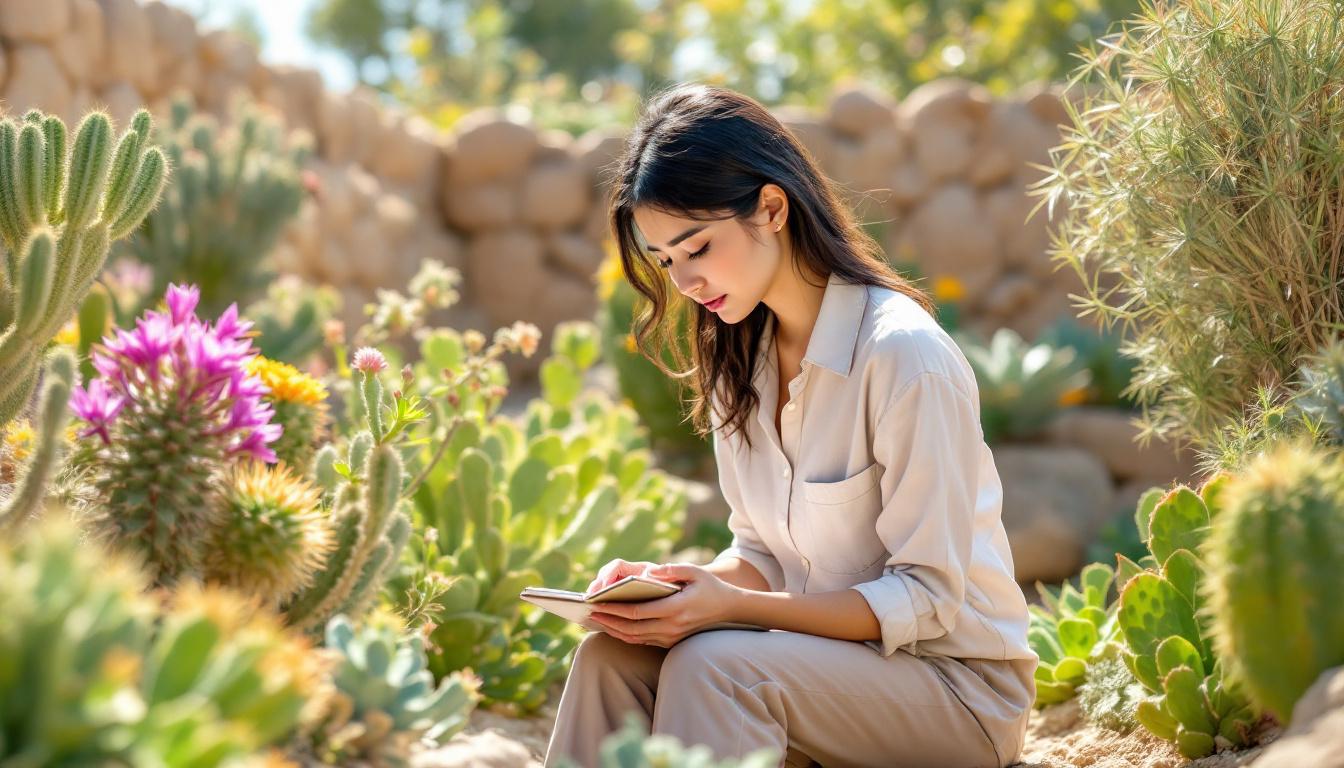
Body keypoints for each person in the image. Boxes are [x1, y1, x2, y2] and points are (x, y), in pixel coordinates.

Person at [543, 82, 1037, 768]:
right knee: (610, 656)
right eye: (666, 261)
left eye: (698, 247)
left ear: (770, 207)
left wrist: (732, 613)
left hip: (955, 692)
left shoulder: (904, 356)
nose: (684, 282)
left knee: (717, 664)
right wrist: (678, 593)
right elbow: (763, 557)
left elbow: (925, 598)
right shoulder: (739, 362)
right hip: (820, 669)